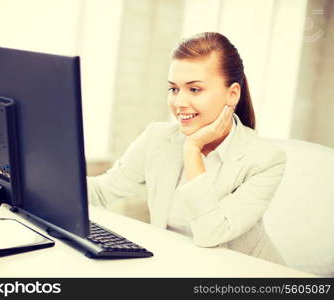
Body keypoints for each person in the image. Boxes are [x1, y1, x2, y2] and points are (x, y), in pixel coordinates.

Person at [86, 32, 287, 265]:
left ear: (232, 94)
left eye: (194, 89)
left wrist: (193, 150)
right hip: (177, 265)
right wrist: (42, 179)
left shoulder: (265, 159)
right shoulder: (157, 138)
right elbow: (101, 192)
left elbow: (210, 234)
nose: (179, 102)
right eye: (173, 89)